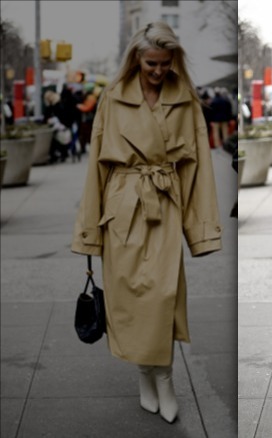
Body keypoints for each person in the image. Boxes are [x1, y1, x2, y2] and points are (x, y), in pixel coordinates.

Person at [71, 21, 222, 424]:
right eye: (151, 62)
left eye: (164, 62)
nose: (158, 70)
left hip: (165, 204)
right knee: (130, 299)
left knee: (161, 298)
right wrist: (90, 233)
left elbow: (199, 168)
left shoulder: (186, 100)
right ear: (136, 58)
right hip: (121, 209)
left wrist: (201, 229)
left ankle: (166, 379)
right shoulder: (112, 99)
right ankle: (145, 376)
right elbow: (95, 170)